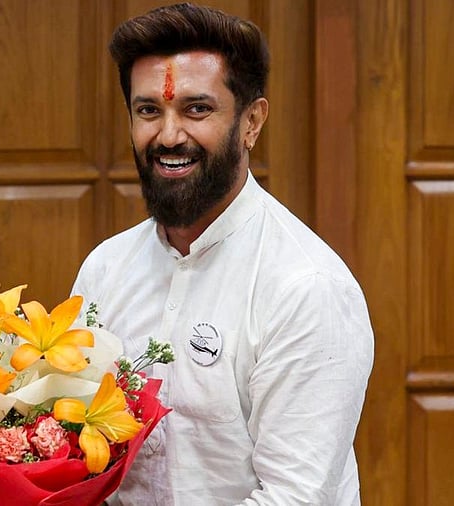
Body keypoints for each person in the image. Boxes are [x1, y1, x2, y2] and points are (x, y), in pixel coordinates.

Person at [71, 4, 374, 505]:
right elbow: (79, 453)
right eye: (149, 110)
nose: (168, 136)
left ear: (251, 122)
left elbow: (293, 497)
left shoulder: (306, 285)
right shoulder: (106, 268)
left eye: (196, 109)